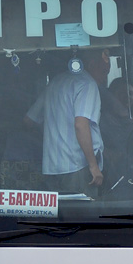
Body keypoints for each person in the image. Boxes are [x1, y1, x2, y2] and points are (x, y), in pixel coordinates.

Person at [24, 49, 109, 194]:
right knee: (82, 214)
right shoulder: (87, 84)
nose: (104, 79)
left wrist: (53, 133)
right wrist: (93, 166)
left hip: (52, 168)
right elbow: (81, 125)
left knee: (60, 214)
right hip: (77, 168)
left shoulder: (56, 82)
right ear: (91, 64)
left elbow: (28, 120)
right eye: (103, 72)